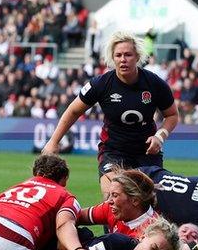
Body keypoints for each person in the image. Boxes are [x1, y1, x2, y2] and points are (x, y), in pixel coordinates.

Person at [42, 31, 179, 197]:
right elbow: (73, 110)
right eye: (118, 55)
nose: (123, 59)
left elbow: (172, 115)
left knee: (152, 203)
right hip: (113, 152)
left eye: (128, 54)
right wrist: (53, 141)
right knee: (114, 198)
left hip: (147, 153)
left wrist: (160, 136)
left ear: (137, 56)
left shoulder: (154, 83)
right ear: (112, 58)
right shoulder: (101, 84)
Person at [77, 169, 160, 238]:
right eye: (110, 194)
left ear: (135, 200)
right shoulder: (113, 208)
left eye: (115, 195)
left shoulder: (150, 234)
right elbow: (73, 216)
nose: (109, 201)